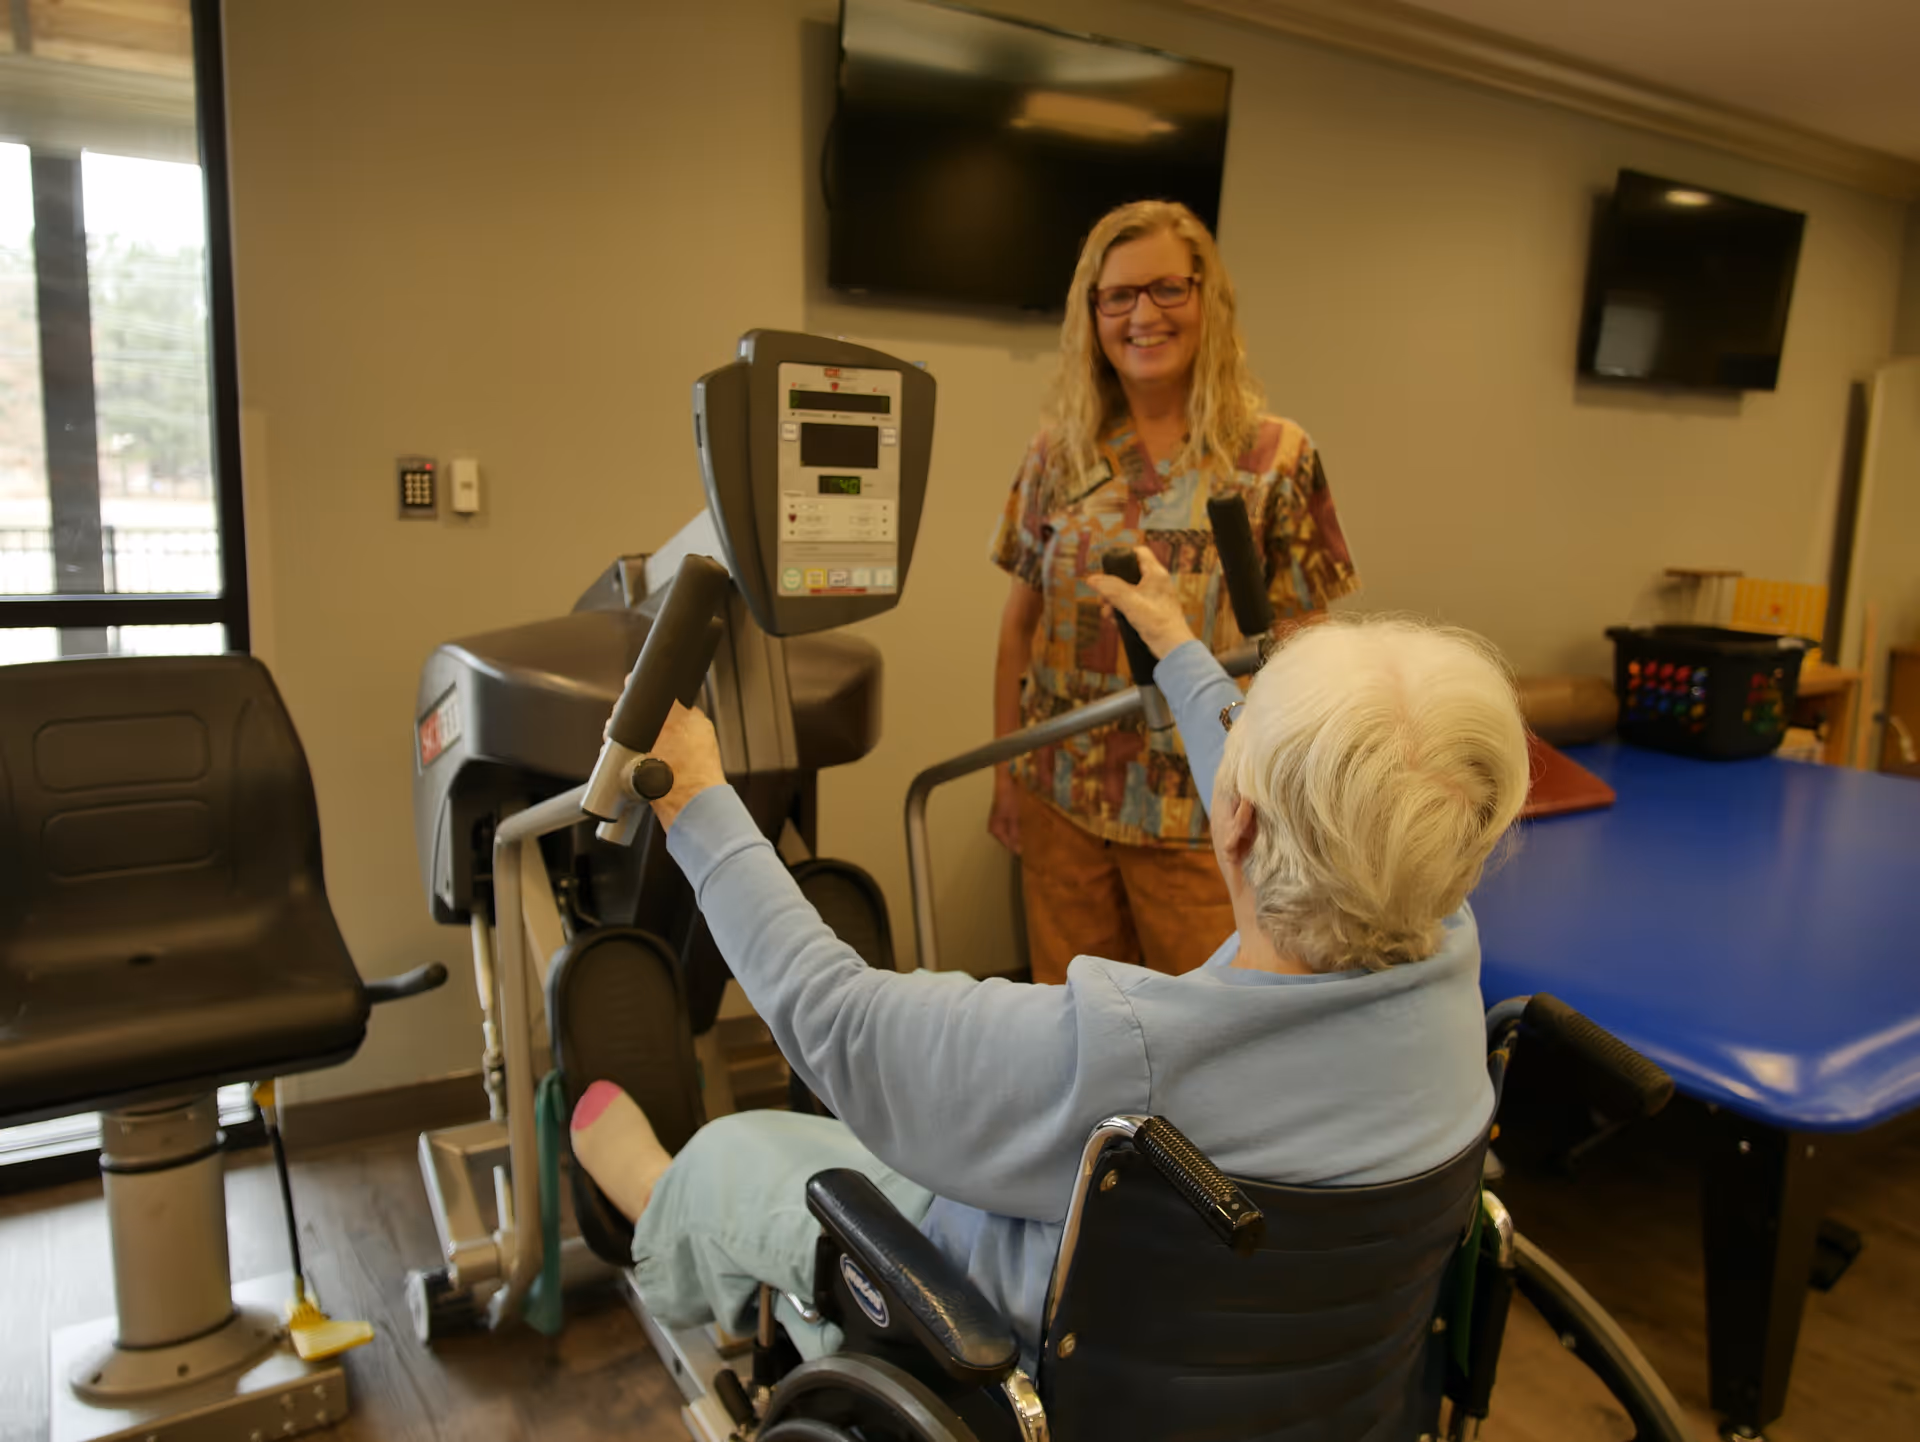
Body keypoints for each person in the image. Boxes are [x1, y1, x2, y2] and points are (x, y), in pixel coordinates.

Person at [570, 553, 1530, 1373]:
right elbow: (1314, 797)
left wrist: (695, 800)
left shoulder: (1122, 1057)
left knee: (748, 1157)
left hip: (999, 1343)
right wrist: (1178, 648)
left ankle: (662, 1199)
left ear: (1236, 819)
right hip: (1295, 1386)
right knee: (873, 1150)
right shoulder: (1449, 966)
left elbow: (839, 1020)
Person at [989, 199, 1360, 985]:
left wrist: (1294, 800)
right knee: (1079, 1030)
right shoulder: (1058, 454)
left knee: (1210, 1043)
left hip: (1209, 812)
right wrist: (1007, 776)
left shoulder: (1272, 457)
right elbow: (1020, 625)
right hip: (1065, 798)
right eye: (1116, 296)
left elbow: (1307, 644)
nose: (1141, 315)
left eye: (1165, 289)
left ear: (1206, 299)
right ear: (1092, 314)